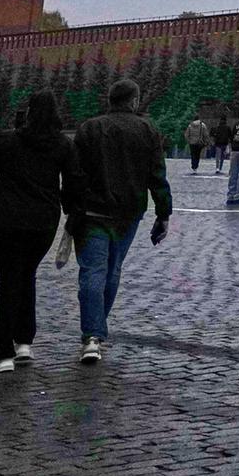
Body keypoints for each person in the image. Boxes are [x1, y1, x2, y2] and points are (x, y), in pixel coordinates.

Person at [68, 80, 172, 365]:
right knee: (112, 270)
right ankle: (97, 332)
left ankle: (91, 336)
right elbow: (157, 175)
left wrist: (71, 207)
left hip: (91, 213)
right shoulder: (147, 129)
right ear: (134, 101)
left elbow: (74, 173)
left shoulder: (89, 128)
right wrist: (163, 214)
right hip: (128, 214)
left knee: (91, 271)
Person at [0, 92, 76, 373]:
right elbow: (72, 185)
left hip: (4, 221)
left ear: (29, 111)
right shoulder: (63, 145)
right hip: (42, 224)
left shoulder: (6, 140)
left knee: (8, 282)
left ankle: (3, 355)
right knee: (26, 275)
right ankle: (24, 342)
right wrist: (70, 212)